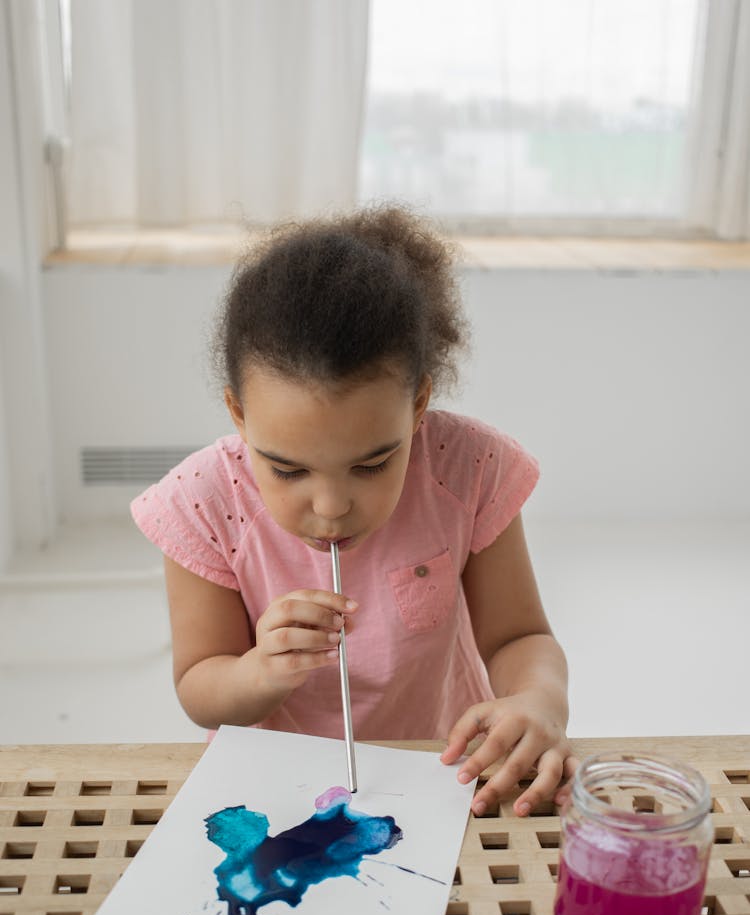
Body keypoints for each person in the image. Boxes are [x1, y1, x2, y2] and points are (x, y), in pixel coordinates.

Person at [132, 205, 574, 817]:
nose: (331, 506)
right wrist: (261, 671)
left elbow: (520, 637)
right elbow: (200, 690)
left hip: (445, 775)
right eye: (287, 469)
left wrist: (539, 699)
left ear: (419, 405)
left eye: (372, 465)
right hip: (278, 798)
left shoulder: (467, 469)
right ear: (238, 413)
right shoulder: (205, 501)